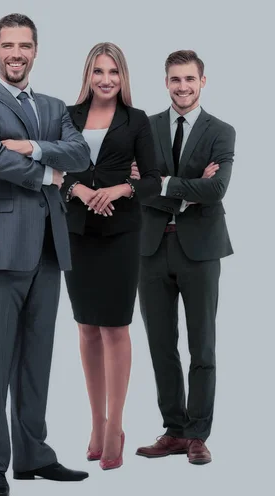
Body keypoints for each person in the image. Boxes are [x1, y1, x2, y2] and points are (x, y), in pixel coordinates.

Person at [0, 13, 91, 496]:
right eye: (8, 44)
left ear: (36, 50)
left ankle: (34, 455)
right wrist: (47, 174)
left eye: (25, 45)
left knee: (36, 360)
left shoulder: (55, 106)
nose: (17, 53)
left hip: (49, 248)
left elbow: (80, 155)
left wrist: (33, 145)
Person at [61, 42, 161, 470]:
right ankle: (97, 423)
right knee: (86, 327)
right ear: (88, 74)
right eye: (99, 71)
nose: (105, 80)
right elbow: (54, 170)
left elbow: (153, 179)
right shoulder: (66, 117)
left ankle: (117, 425)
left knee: (115, 327)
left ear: (123, 78)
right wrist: (80, 190)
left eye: (113, 73)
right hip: (77, 231)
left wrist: (119, 190)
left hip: (121, 231)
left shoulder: (136, 121)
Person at [134, 50, 236, 465]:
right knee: (161, 345)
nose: (183, 87)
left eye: (189, 79)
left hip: (201, 251)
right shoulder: (146, 127)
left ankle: (198, 435)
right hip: (151, 248)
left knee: (202, 346)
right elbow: (136, 187)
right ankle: (174, 430)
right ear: (166, 82)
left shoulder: (221, 131)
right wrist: (187, 190)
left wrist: (162, 184)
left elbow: (217, 190)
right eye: (175, 80)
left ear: (202, 82)